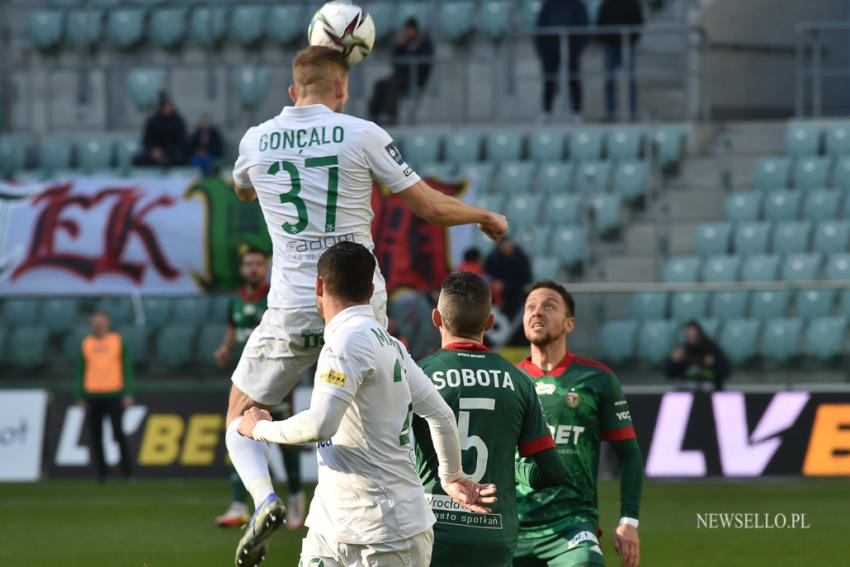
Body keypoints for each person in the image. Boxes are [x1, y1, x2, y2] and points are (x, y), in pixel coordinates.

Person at [224, 46, 507, 567]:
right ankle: (388, 520)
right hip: (356, 307)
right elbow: (427, 207)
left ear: (293, 91)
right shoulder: (361, 132)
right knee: (373, 418)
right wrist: (482, 215)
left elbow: (242, 191)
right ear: (342, 89)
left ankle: (264, 498)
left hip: (294, 304)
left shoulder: (255, 140)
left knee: (236, 415)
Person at [236, 242, 497, 567]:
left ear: (319, 286)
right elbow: (441, 415)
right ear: (372, 289)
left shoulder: (347, 341)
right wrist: (452, 476)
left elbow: (320, 425)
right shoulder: (390, 344)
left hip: (382, 537)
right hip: (338, 528)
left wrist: (258, 427)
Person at [414, 271, 571, 567]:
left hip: (431, 536)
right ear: (489, 322)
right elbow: (552, 472)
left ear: (437, 318)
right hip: (494, 538)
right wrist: (510, 468)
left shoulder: (418, 374)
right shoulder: (519, 381)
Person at [514, 281, 643, 567]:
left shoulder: (597, 379)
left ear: (569, 324)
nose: (537, 313)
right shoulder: (509, 380)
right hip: (512, 527)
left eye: (549, 306)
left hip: (572, 524)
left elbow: (629, 454)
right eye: (530, 307)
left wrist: (628, 521)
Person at [213, 249, 305, 529]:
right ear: (242, 270)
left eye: (258, 264)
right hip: (246, 380)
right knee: (239, 430)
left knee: (285, 443)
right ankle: (241, 504)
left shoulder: (275, 296)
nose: (253, 269)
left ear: (265, 269)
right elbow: (234, 329)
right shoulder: (235, 301)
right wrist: (225, 348)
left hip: (277, 379)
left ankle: (297, 498)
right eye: (248, 265)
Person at [73, 311, 134, 482]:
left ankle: (127, 473)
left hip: (114, 393)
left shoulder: (117, 340)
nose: (98, 325)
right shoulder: (86, 343)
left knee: (118, 433)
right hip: (92, 394)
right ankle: (102, 474)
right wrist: (79, 395)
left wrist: (128, 392)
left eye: (101, 322)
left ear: (107, 323)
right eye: (95, 322)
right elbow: (80, 371)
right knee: (95, 436)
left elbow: (126, 368)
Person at [367, 18, 434, 124]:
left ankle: (391, 116)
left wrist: (407, 58)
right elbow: (395, 62)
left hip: (416, 78)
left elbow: (422, 63)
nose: (407, 33)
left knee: (393, 85)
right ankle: (373, 115)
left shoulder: (425, 43)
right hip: (400, 75)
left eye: (409, 30)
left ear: (415, 30)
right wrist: (398, 47)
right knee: (380, 84)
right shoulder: (404, 43)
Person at [535, 0, 589, 122]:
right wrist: (542, 50)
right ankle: (546, 111)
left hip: (572, 49)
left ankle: (577, 111)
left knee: (574, 80)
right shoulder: (548, 5)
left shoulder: (577, 5)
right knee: (549, 81)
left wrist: (577, 49)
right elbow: (540, 28)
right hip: (550, 49)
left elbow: (583, 28)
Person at [597, 0, 644, 121]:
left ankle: (631, 113)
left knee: (630, 81)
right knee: (609, 80)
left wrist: (631, 40)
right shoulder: (607, 4)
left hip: (627, 46)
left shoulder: (633, 3)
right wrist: (605, 41)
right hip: (610, 46)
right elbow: (600, 23)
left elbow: (639, 23)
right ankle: (610, 113)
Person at [665, 320, 730, 392]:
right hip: (687, 387)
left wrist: (714, 363)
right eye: (688, 334)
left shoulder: (712, 348)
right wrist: (674, 362)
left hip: (710, 387)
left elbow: (726, 372)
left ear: (700, 334)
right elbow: (669, 374)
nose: (691, 337)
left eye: (694, 334)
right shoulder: (682, 350)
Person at [484, 236, 532, 321]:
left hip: (515, 292)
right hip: (497, 292)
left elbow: (526, 278)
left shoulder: (521, 258)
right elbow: (488, 272)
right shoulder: (494, 257)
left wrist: (506, 284)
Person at [135, 93, 188, 166]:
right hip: (154, 153)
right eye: (166, 106)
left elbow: (181, 142)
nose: (168, 108)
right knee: (138, 160)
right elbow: (147, 140)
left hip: (172, 153)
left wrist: (166, 151)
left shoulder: (178, 122)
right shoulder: (153, 121)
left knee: (180, 159)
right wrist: (153, 151)